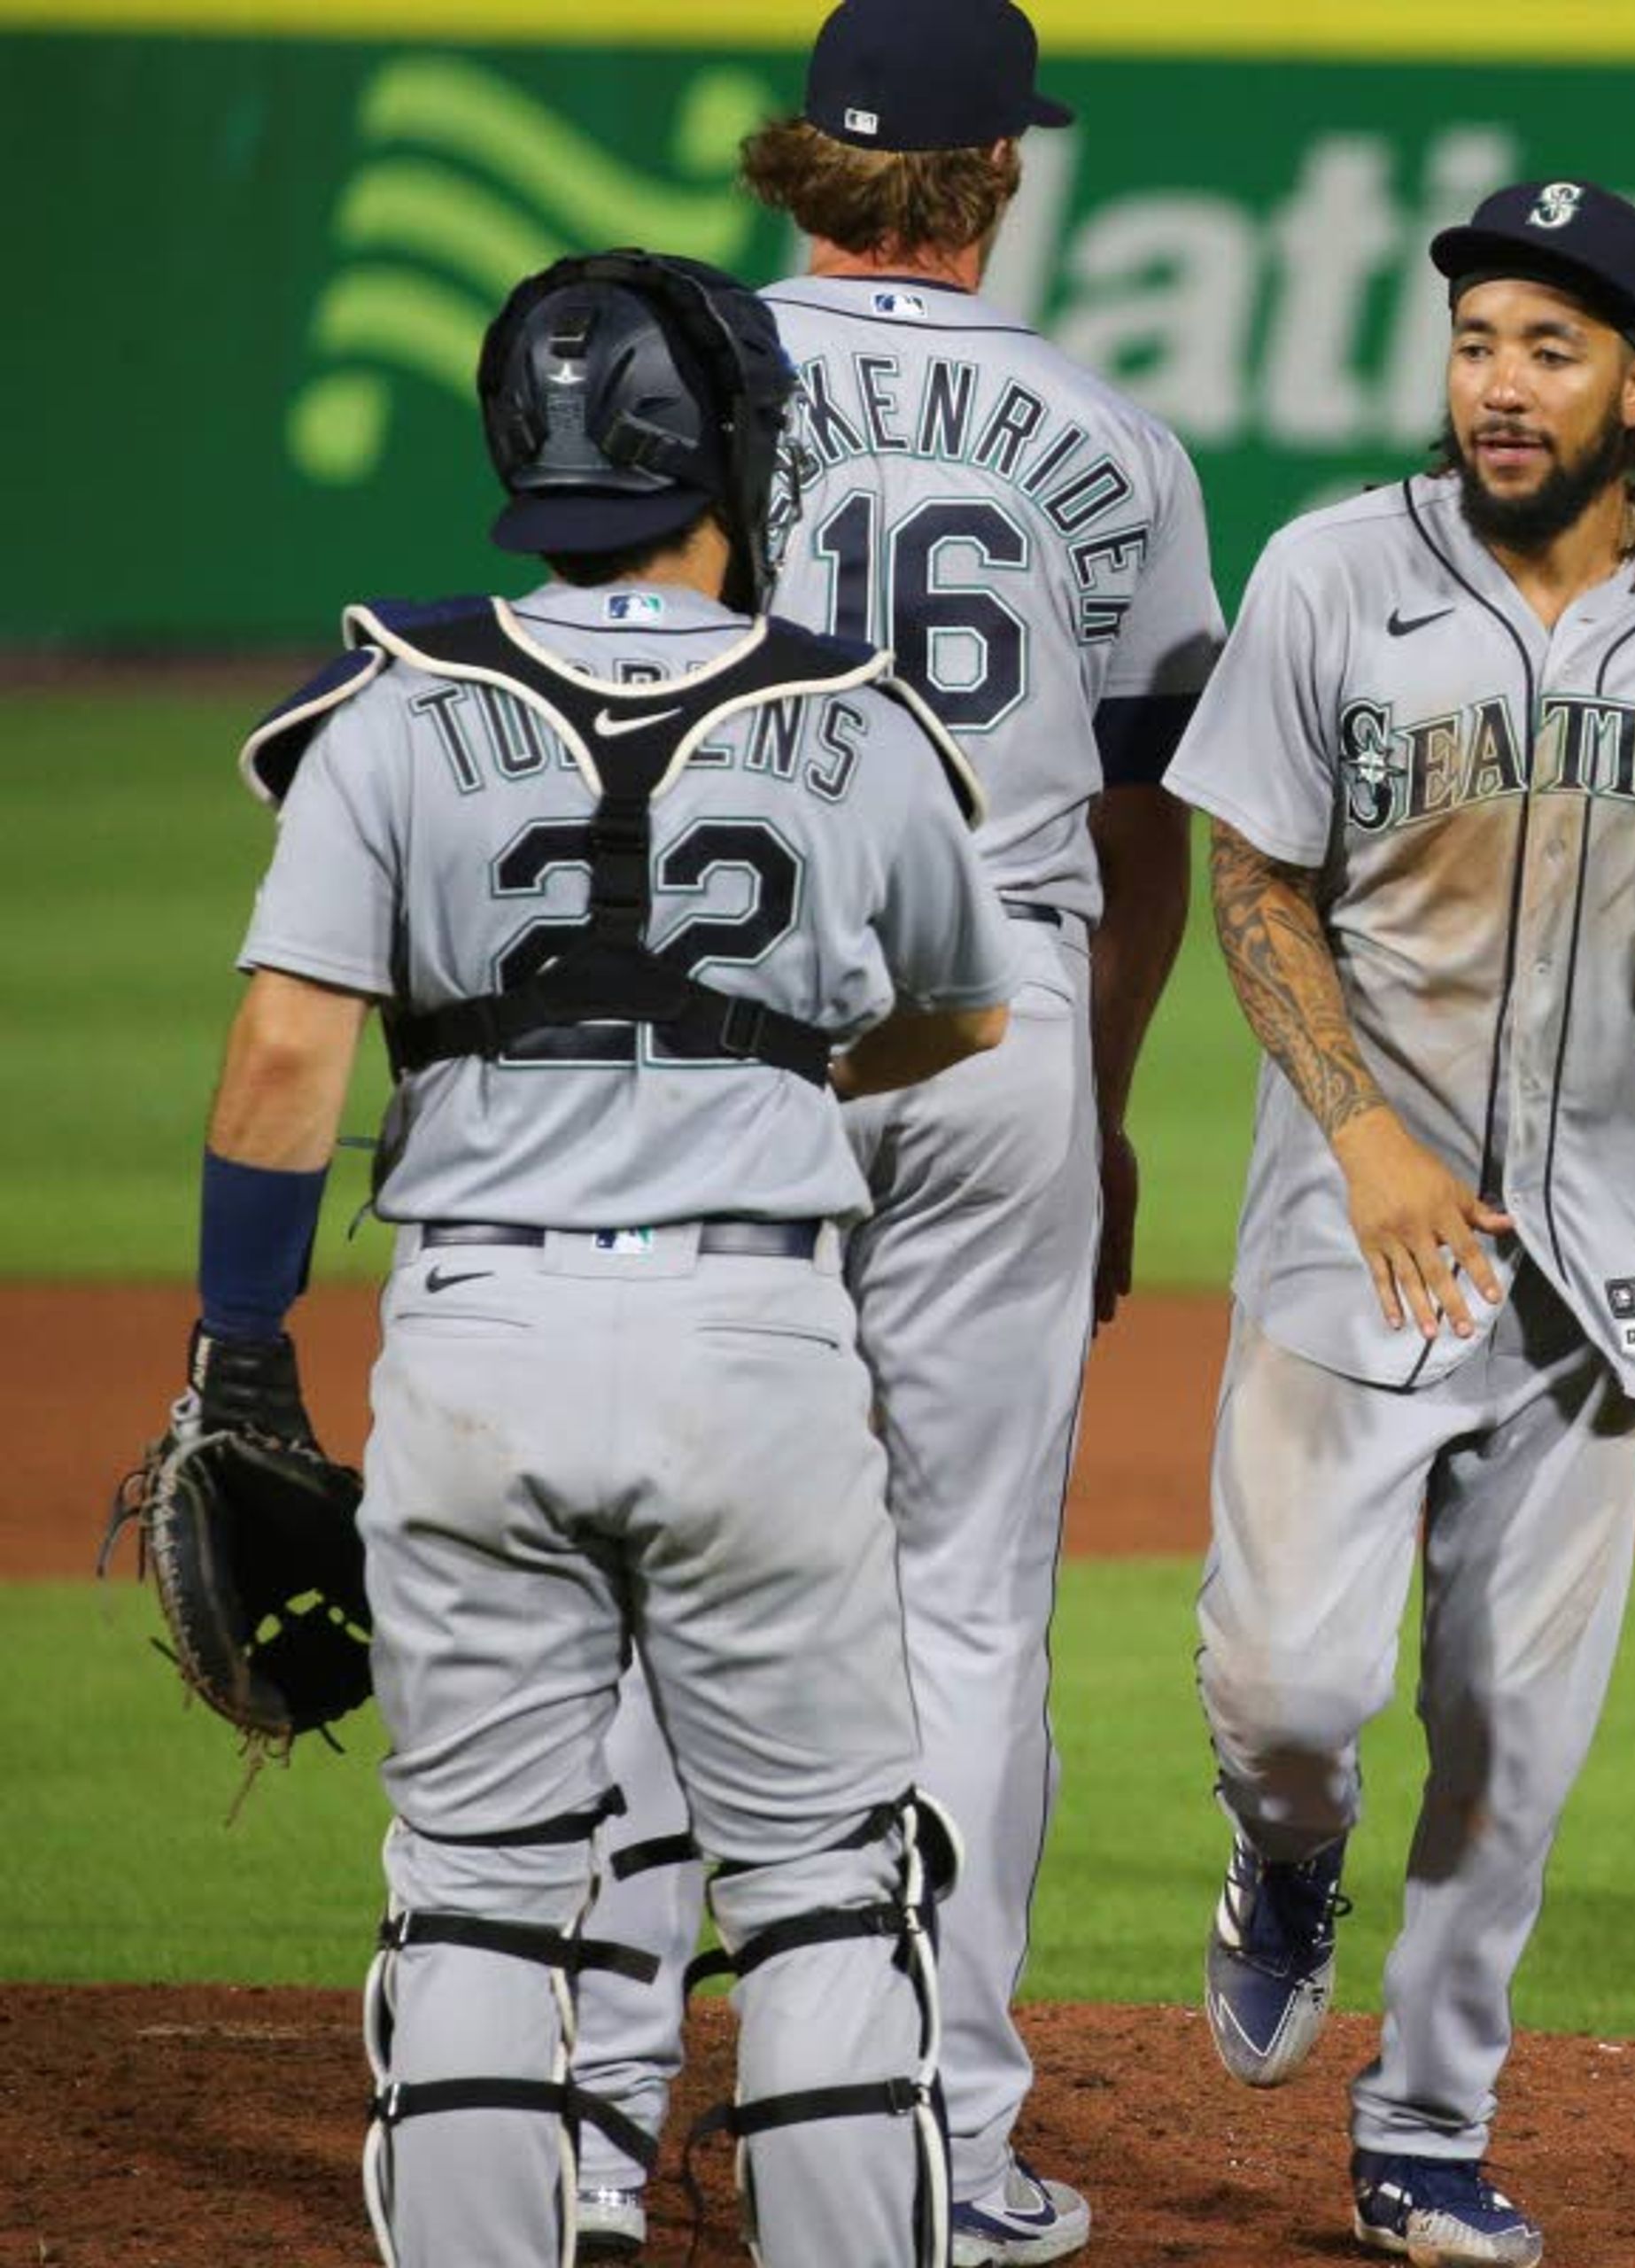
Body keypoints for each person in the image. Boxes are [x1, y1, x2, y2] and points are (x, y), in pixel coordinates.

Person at [205, 248, 1014, 2264]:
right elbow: (967, 1015)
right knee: (825, 1884)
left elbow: (286, 1053)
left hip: (480, 1333)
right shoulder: (855, 712)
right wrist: (785, 1063)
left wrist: (237, 1353)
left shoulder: (391, 706)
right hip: (757, 1338)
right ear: (730, 449)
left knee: (476, 1883)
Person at [1164, 178, 1635, 2265]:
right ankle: (1285, 1858)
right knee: (1292, 1688)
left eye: (1550, 348)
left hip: (1608, 1253)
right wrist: (1366, 1131)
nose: (1499, 382)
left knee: (1512, 1739)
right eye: (1478, 339)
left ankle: (1424, 2127)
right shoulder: (1330, 574)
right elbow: (1251, 878)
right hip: (1355, 1222)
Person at [568, 4, 1221, 2258]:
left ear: (811, 167)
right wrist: (1106, 1092)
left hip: (722, 1008)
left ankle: (572, 2119)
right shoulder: (1116, 437)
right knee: (962, 1597)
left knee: (658, 1551)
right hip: (1006, 1007)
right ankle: (921, 2135)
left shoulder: (676, 389)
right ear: (994, 177)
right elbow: (1153, 819)